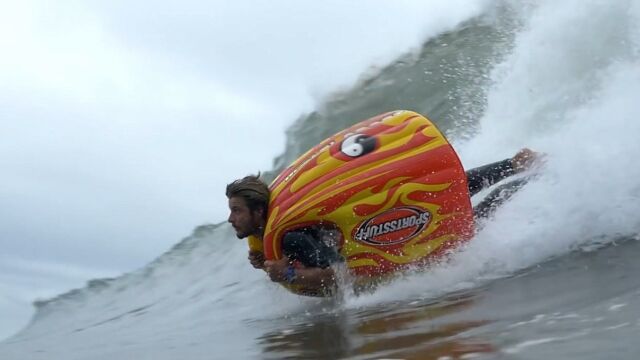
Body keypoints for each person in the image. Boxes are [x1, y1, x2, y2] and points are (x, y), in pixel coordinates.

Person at [226, 148, 541, 294]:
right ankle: (516, 167)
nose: (231, 219)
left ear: (258, 212)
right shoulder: (274, 235)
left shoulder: (288, 236)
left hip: (385, 233)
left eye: (237, 210)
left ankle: (530, 178)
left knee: (473, 215)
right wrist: (268, 261)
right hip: (381, 227)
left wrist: (289, 272)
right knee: (447, 196)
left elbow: (338, 275)